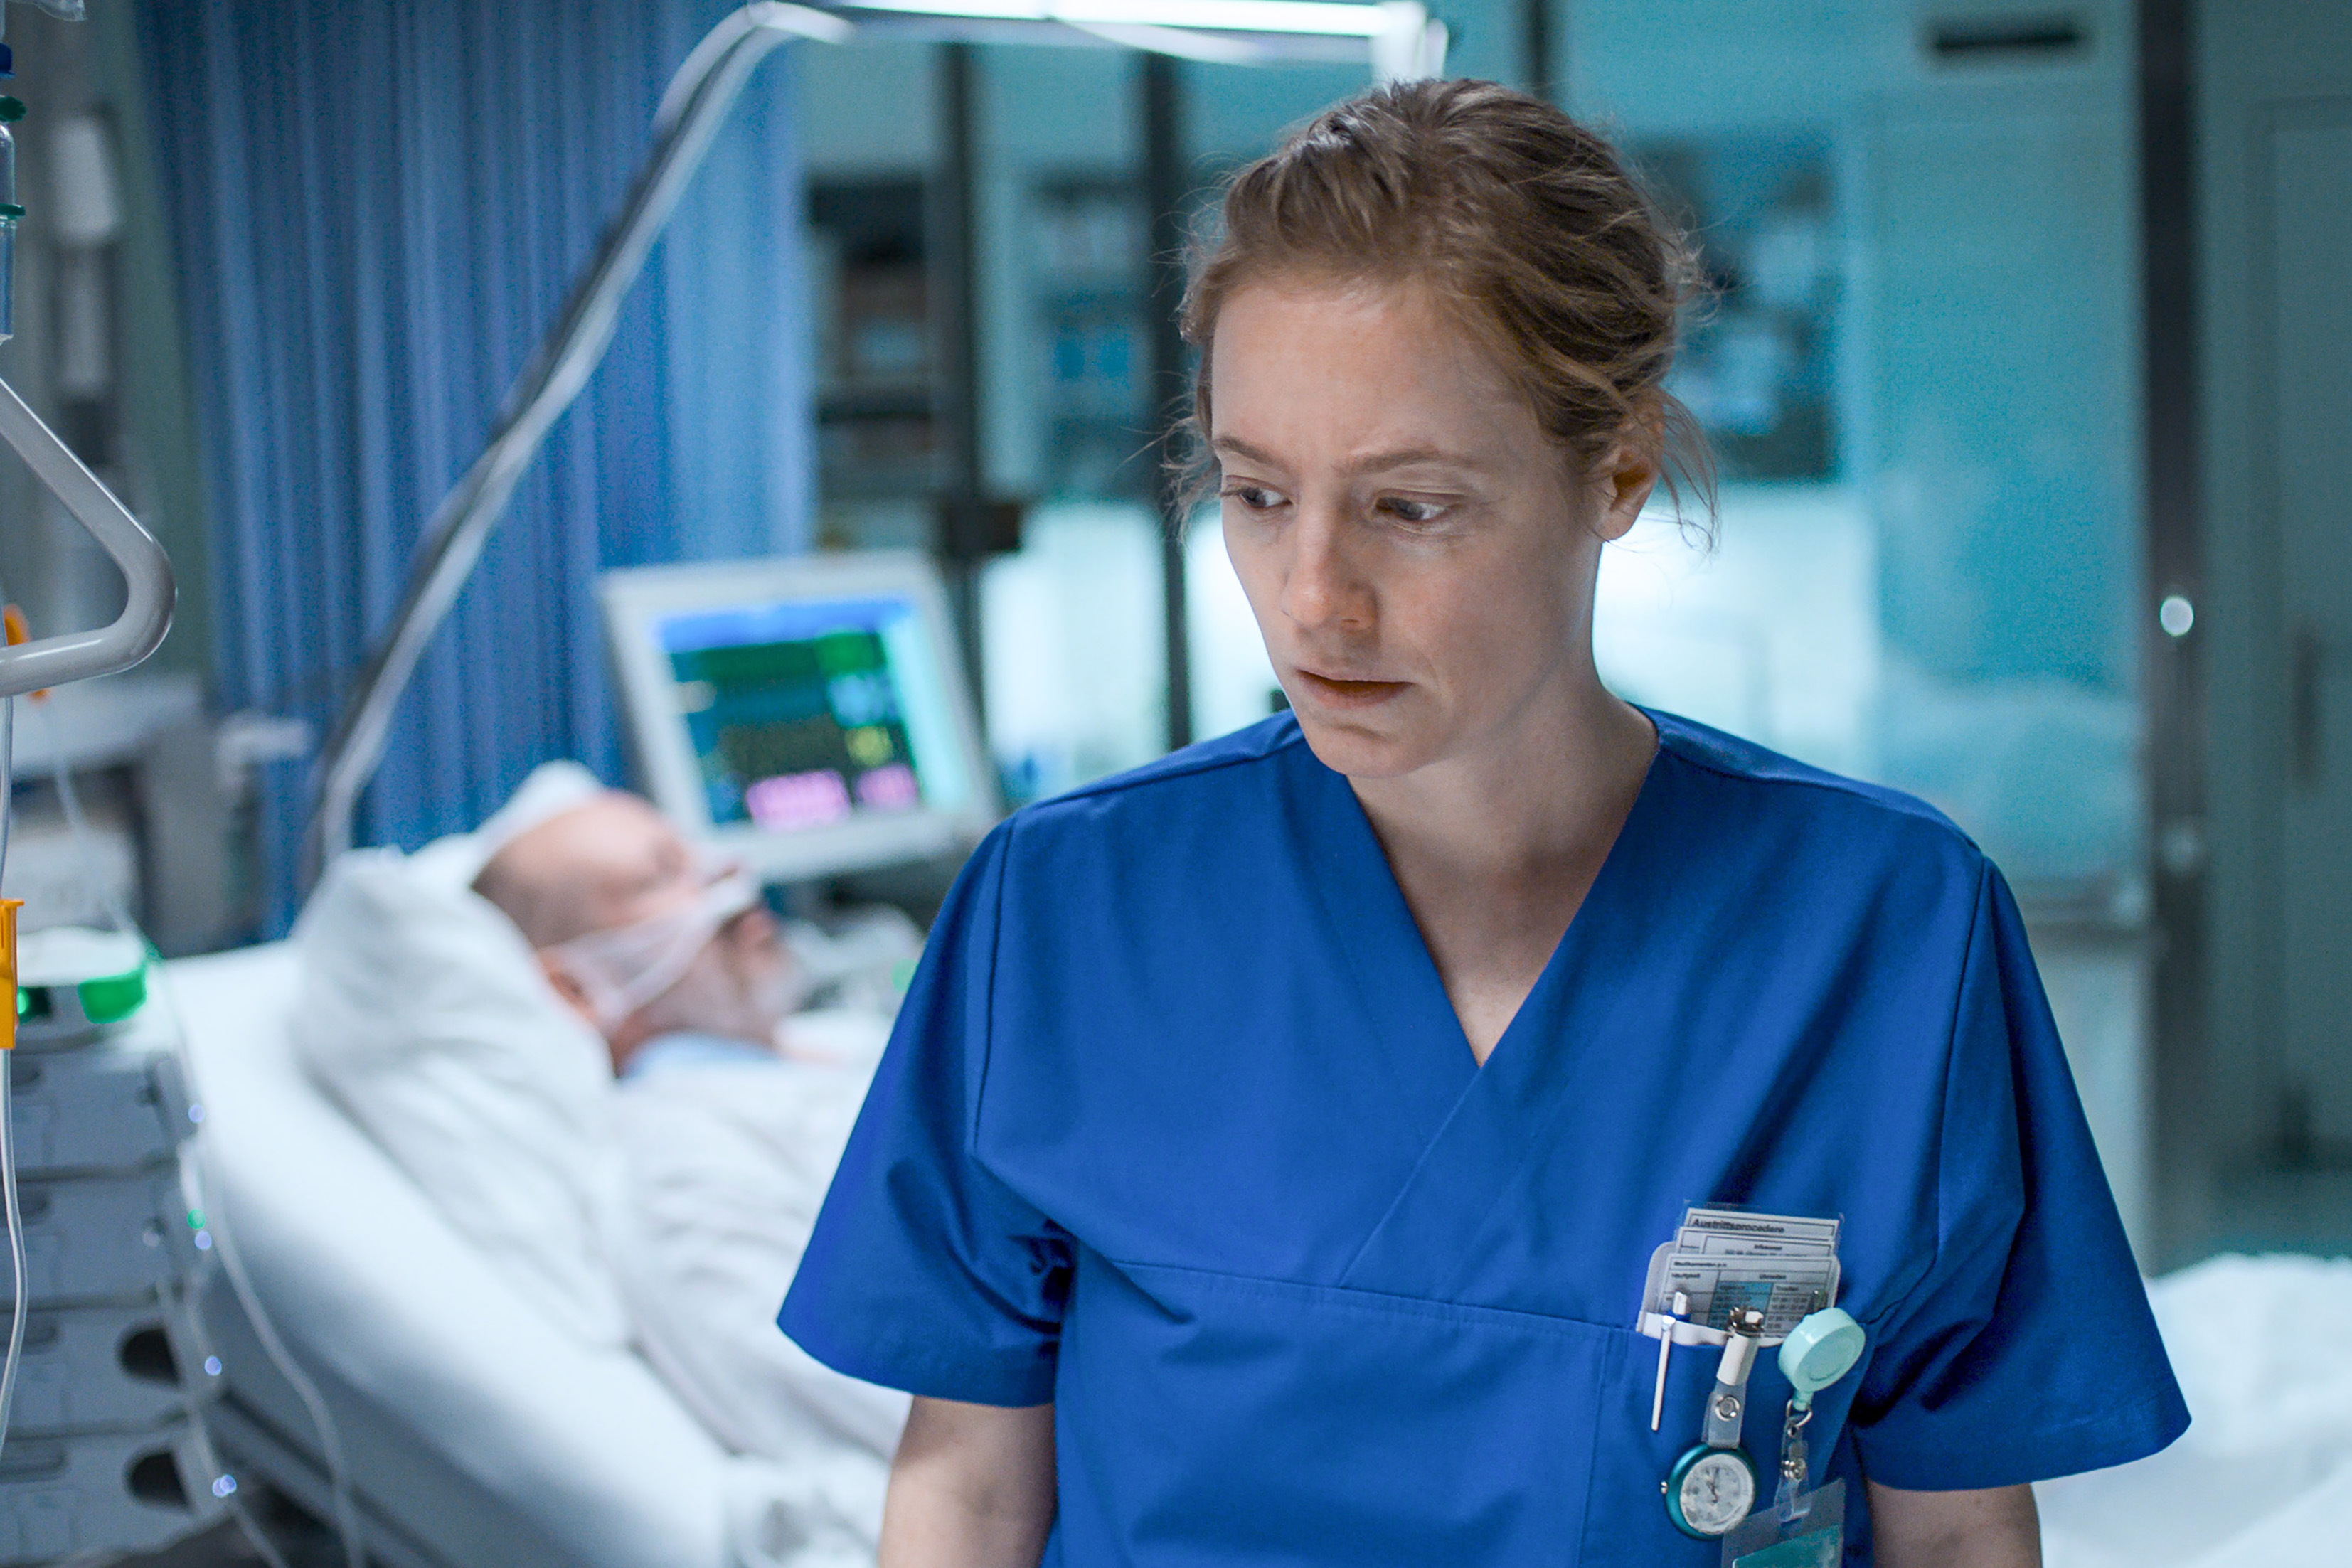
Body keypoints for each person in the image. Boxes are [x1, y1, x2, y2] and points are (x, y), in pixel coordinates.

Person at [777, 79, 2188, 1568]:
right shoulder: (1064, 912)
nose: (1314, 600)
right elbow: (968, 1495)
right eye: (1257, 494)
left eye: (1411, 507)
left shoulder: (1888, 931)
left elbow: (1955, 1530)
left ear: (1617, 468)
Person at [471, 789, 912, 1485]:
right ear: (574, 989)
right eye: (661, 876)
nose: (727, 874)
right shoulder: (683, 1172)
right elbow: (893, 1414)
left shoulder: (825, 1051)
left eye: (695, 852)